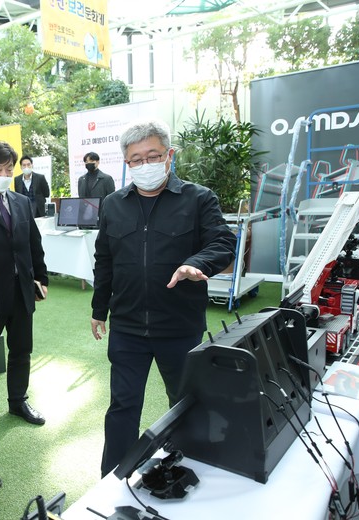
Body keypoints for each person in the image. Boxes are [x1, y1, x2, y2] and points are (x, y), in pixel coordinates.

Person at [90, 120, 236, 477]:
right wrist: (99, 309)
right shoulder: (113, 204)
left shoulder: (198, 198)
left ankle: (189, 467)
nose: (145, 165)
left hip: (179, 326)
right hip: (127, 327)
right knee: (122, 406)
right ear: (127, 163)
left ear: (169, 155)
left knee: (185, 403)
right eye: (136, 160)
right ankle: (111, 479)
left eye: (153, 156)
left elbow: (223, 242)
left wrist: (196, 263)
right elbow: (104, 260)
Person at [0, 141, 48, 433]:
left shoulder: (20, 202)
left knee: (21, 350)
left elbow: (33, 244)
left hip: (21, 290)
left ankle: (18, 401)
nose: (4, 175)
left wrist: (41, 278)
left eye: (8, 169)